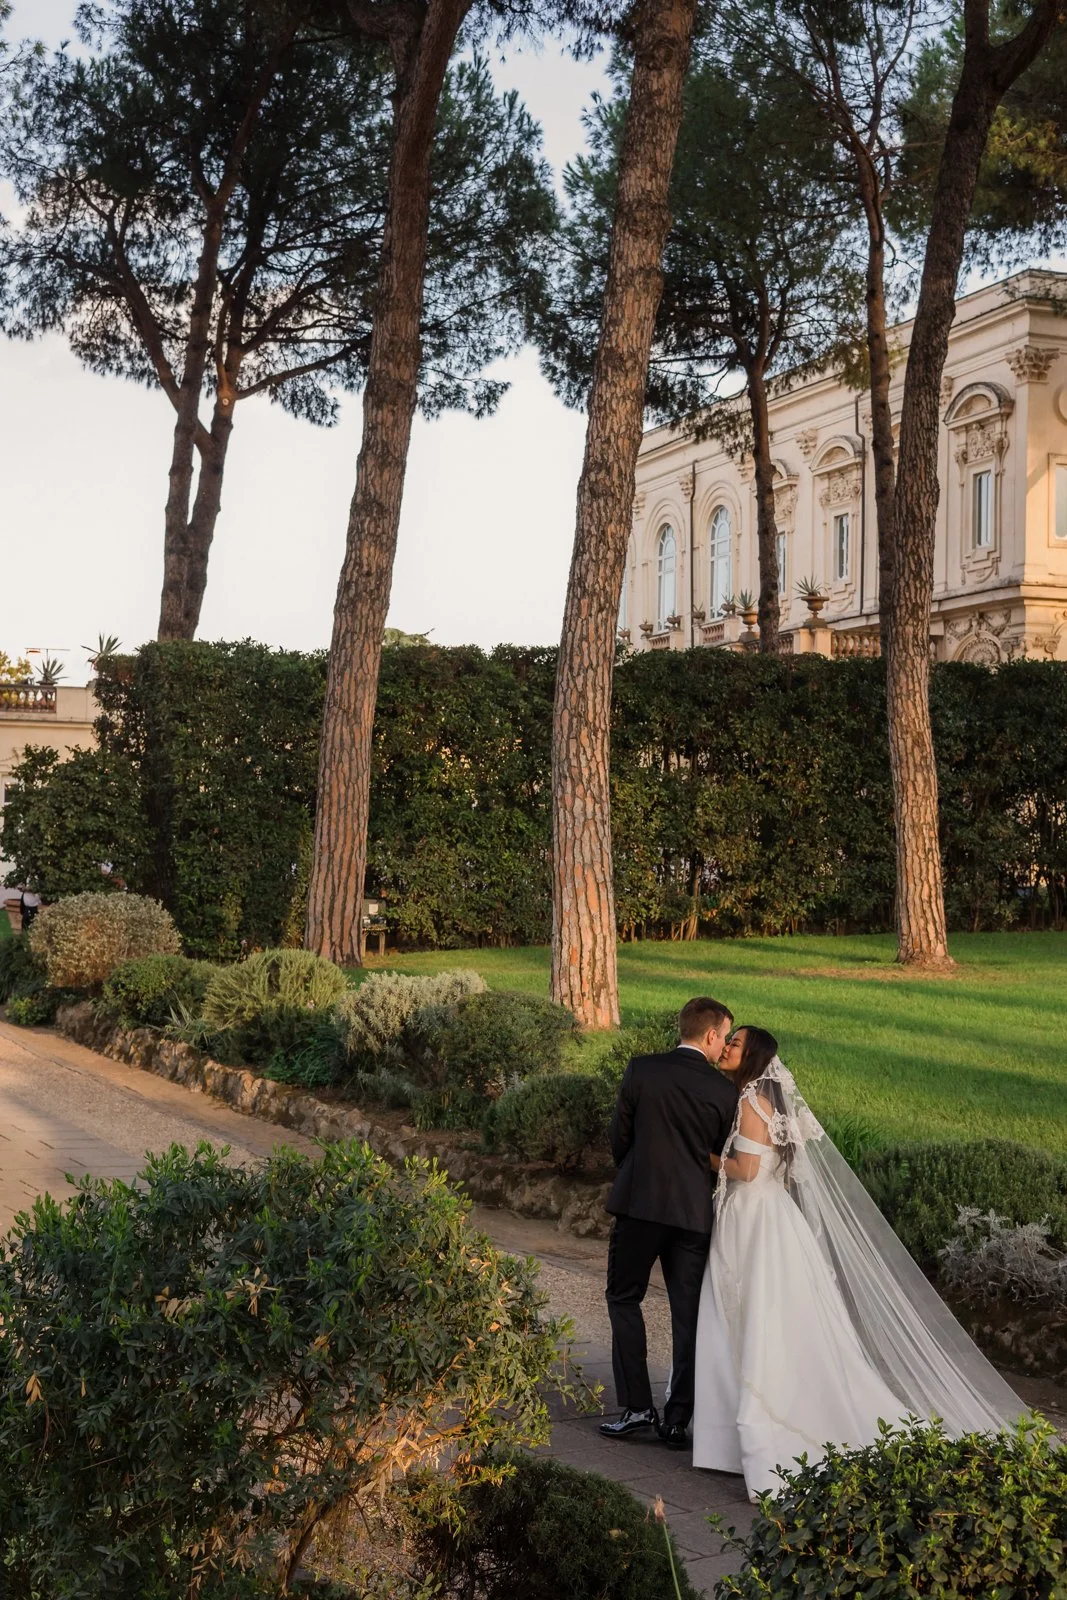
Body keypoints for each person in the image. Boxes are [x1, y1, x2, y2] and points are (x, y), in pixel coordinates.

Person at [693, 1026, 1025, 1500]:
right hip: (774, 1216)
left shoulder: (750, 1099)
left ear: (752, 1056)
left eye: (735, 1043)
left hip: (752, 1218)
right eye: (728, 1041)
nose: (727, 1047)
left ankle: (757, 1435)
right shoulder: (773, 1100)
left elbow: (745, 1170)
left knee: (749, 1316)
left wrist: (702, 1157)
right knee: (773, 1319)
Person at [601, 997, 739, 1447]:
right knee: (689, 1315)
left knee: (624, 1298)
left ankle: (638, 1407)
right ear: (711, 1034)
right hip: (692, 1215)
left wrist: (636, 1174)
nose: (724, 1047)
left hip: (639, 1206)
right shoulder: (725, 1092)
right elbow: (720, 1155)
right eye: (725, 1037)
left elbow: (620, 1136)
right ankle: (678, 1420)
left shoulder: (642, 1070)